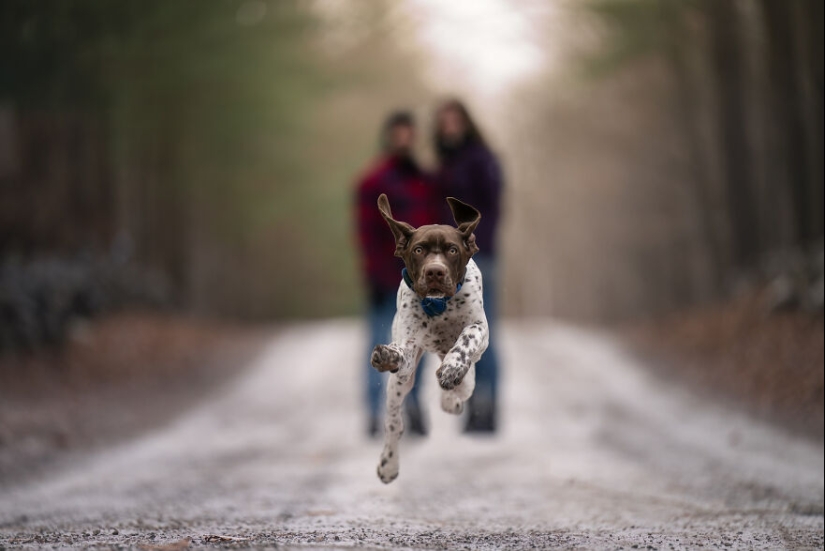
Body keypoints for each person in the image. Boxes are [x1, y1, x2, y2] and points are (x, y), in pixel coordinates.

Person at [355, 111, 437, 438]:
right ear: (389, 137)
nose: (404, 140)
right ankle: (374, 412)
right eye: (398, 134)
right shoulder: (373, 182)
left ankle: (414, 406)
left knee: (418, 346)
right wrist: (374, 272)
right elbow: (365, 233)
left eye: (409, 134)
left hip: (421, 280)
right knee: (379, 344)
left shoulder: (426, 182)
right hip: (385, 277)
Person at [432, 99, 503, 433]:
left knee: (484, 331)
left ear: (466, 122)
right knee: (460, 335)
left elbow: (494, 207)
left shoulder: (480, 158)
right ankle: (473, 405)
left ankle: (487, 409)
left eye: (455, 120)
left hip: (479, 257)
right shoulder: (444, 163)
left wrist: (474, 246)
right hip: (447, 264)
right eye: (444, 121)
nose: (450, 127)